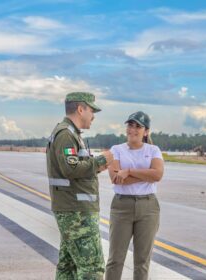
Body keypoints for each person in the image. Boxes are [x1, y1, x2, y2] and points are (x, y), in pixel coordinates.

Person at [46, 92, 113, 280]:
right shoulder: (66, 135)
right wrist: (100, 160)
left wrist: (96, 167)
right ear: (80, 109)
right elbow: (71, 168)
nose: (93, 116)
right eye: (92, 110)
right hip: (76, 212)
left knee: (68, 267)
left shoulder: (70, 133)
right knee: (92, 267)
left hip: (72, 209)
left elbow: (74, 168)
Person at [105, 111, 164, 280]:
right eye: (130, 125)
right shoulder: (116, 150)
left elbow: (157, 175)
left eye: (138, 126)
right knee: (115, 259)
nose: (133, 129)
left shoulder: (153, 150)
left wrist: (129, 171)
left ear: (146, 132)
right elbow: (116, 178)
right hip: (122, 206)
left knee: (142, 261)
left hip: (148, 207)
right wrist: (146, 174)